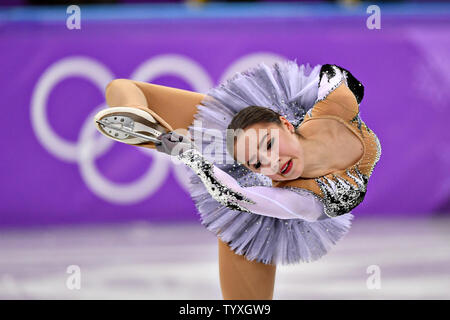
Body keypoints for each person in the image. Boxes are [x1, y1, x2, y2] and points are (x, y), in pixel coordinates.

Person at [93, 60, 381, 299]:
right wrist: (185, 150)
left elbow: (238, 198)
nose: (273, 163)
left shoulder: (331, 130)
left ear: (284, 123)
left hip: (256, 208)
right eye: (259, 162)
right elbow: (117, 88)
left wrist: (190, 155)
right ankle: (141, 118)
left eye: (270, 145)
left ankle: (159, 134)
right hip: (240, 168)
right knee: (121, 89)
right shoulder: (320, 180)